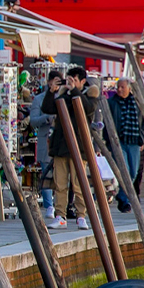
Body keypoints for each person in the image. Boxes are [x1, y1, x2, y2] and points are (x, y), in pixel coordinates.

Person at [42, 65, 95, 229]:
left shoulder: (89, 95)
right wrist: (52, 91)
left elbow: (88, 108)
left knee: (79, 185)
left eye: (74, 80)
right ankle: (60, 216)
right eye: (69, 79)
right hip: (61, 146)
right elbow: (48, 108)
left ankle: (81, 216)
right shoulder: (63, 96)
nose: (70, 83)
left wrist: (74, 91)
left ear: (83, 81)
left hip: (79, 147)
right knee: (60, 184)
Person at [107, 78, 144, 213]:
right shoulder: (111, 102)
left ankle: (122, 196)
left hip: (134, 140)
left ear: (129, 88)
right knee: (125, 170)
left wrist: (142, 137)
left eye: (122, 87)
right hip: (119, 141)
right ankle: (125, 200)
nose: (119, 90)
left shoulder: (137, 103)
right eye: (118, 87)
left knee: (133, 171)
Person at [30, 71, 63, 217]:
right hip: (46, 140)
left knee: (61, 175)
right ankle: (49, 206)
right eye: (54, 82)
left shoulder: (64, 96)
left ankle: (62, 206)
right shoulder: (39, 99)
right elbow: (33, 121)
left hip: (61, 142)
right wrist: (47, 117)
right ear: (49, 82)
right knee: (46, 172)